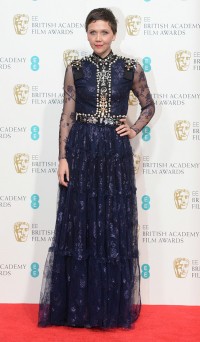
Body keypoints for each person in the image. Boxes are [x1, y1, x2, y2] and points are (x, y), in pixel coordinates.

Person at [38, 7, 155, 329]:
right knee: (80, 222)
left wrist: (134, 128)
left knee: (112, 223)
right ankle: (77, 308)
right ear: (86, 34)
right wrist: (63, 157)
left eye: (104, 32)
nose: (98, 38)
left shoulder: (130, 67)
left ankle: (108, 308)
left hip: (115, 152)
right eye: (93, 32)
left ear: (114, 34)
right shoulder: (75, 68)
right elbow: (67, 115)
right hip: (82, 149)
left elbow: (148, 105)